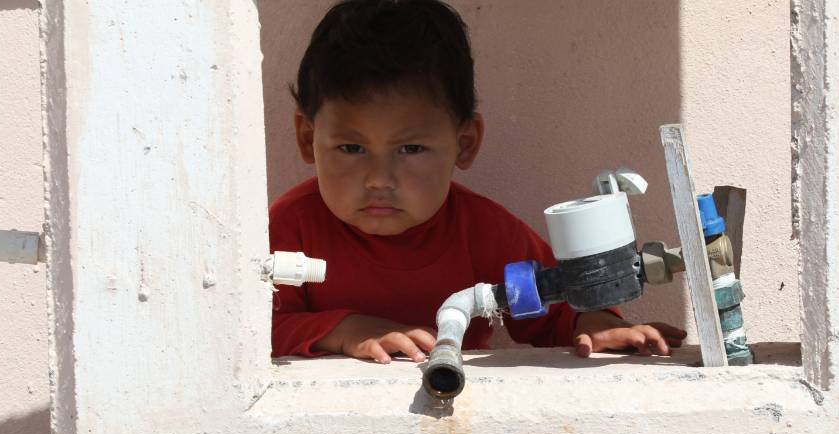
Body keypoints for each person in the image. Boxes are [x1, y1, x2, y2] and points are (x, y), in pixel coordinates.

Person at [270, 0, 686, 364]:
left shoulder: (483, 232)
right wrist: (345, 331)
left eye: (411, 149)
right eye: (351, 149)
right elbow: (241, 331)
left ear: (464, 144)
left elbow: (554, 303)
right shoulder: (287, 230)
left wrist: (593, 325)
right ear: (308, 139)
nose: (379, 179)